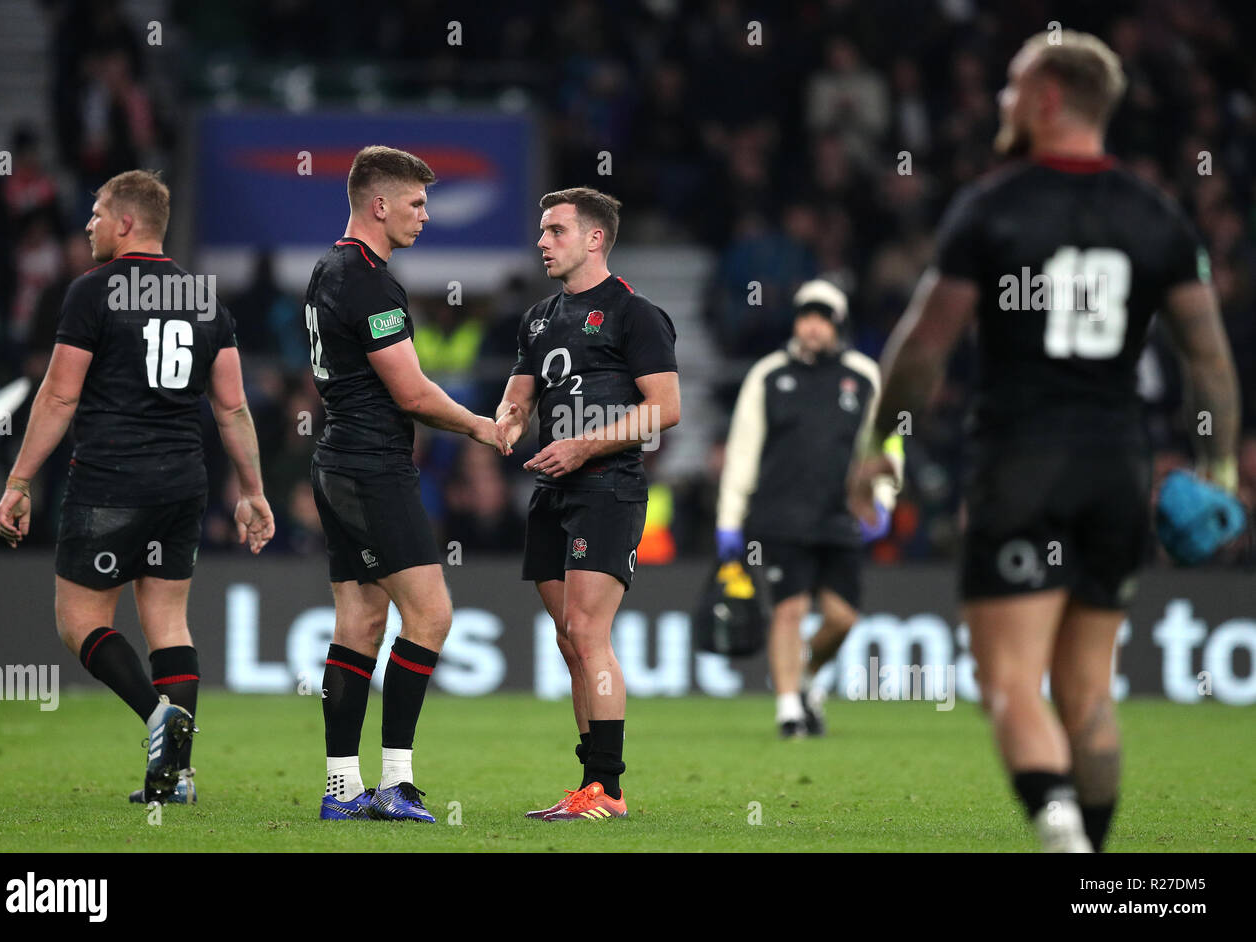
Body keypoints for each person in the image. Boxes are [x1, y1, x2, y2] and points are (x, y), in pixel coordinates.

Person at [852, 32, 1241, 852]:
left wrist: (878, 443)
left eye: (1013, 84)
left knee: (1008, 684)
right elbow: (1207, 357)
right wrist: (1216, 466)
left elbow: (923, 349)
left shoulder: (993, 206)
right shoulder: (1157, 213)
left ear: (1048, 99)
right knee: (1089, 692)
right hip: (1117, 467)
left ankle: (1062, 842)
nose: (1000, 98)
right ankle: (1097, 869)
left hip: (1020, 462)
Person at [0, 169, 275, 805]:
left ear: (126, 223)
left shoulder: (91, 292)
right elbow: (232, 409)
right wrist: (253, 491)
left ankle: (159, 716)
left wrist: (18, 479)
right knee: (169, 623)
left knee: (78, 620)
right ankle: (175, 777)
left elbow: (61, 393)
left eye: (96, 213)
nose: (88, 224)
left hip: (108, 482)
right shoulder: (207, 299)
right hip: (184, 484)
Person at [305, 146, 511, 822]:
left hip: (337, 460)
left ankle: (342, 789)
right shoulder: (368, 279)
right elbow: (412, 392)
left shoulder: (325, 271)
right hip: (370, 465)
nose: (426, 215)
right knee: (432, 614)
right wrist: (481, 427)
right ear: (379, 204)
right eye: (417, 203)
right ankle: (394, 781)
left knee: (361, 621)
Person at [495, 187, 680, 821]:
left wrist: (583, 446)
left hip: (608, 488)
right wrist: (502, 422)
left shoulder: (636, 314)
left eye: (555, 231)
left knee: (587, 632)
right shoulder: (539, 318)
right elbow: (519, 395)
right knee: (570, 642)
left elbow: (666, 408)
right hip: (553, 493)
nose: (542, 242)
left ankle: (609, 788)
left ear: (594, 238)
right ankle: (589, 786)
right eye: (542, 231)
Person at [717, 279, 900, 738]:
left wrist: (883, 501)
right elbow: (743, 448)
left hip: (841, 514)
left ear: (838, 325)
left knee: (842, 618)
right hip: (780, 514)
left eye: (822, 318)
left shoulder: (864, 375)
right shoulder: (769, 375)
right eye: (805, 316)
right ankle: (788, 711)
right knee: (789, 611)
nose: (812, 327)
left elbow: (885, 443)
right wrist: (729, 519)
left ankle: (805, 676)